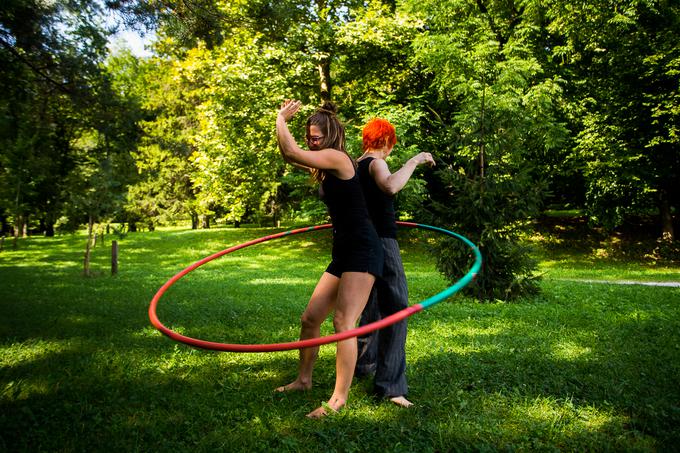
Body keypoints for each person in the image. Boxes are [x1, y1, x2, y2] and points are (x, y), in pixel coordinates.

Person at [274, 99, 384, 418]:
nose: (311, 142)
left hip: (363, 248)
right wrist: (291, 134)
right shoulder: (323, 163)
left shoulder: (336, 158)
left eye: (316, 138)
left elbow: (290, 153)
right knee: (310, 319)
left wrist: (281, 119)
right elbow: (296, 155)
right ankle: (303, 380)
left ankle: (337, 401)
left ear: (331, 136)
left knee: (343, 322)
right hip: (344, 250)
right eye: (308, 137)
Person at [354, 118, 435, 408]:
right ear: (386, 141)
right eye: (391, 144)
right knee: (397, 309)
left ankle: (362, 368)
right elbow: (390, 187)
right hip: (384, 243)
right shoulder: (376, 164)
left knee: (371, 308)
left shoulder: (354, 165)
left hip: (362, 244)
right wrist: (414, 161)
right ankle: (391, 387)